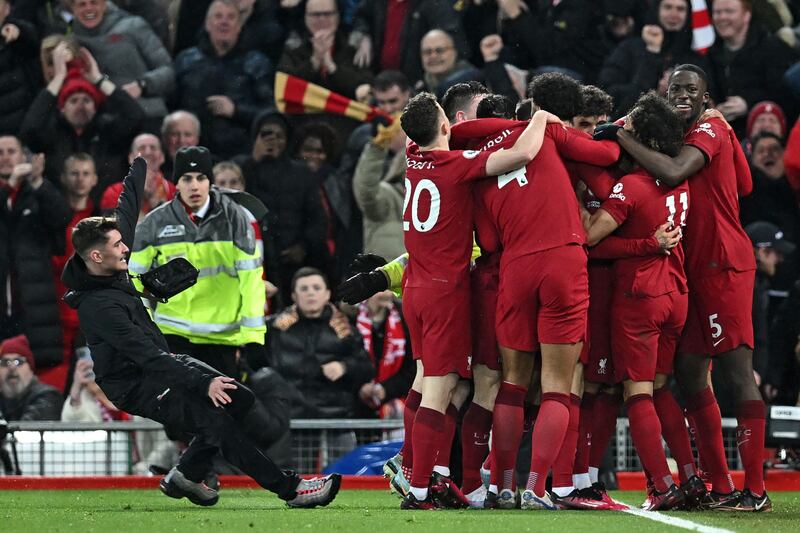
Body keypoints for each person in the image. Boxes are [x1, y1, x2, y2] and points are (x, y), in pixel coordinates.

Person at [62, 156, 340, 507]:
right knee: (217, 423)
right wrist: (201, 381)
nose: (126, 249)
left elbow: (127, 210)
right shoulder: (98, 307)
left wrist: (139, 167)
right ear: (97, 258)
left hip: (163, 362)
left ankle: (184, 475)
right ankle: (292, 489)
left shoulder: (108, 264)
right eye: (118, 246)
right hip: (136, 384)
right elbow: (146, 357)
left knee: (240, 398)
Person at [614, 63, 771, 511]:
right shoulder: (701, 129)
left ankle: (756, 490)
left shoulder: (708, 130)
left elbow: (679, 171)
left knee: (737, 373)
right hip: (689, 270)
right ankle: (718, 483)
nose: (682, 95)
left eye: (691, 90)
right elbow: (745, 182)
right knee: (687, 370)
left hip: (723, 266)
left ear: (705, 97)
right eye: (675, 89)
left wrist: (622, 136)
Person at [397, 92, 558, 509]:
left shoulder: (414, 159)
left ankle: (438, 476)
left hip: (414, 286)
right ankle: (418, 489)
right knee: (442, 387)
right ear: (448, 127)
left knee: (435, 383)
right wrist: (539, 118)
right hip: (443, 290)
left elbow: (421, 130)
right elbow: (522, 153)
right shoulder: (455, 167)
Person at [583, 92, 698, 511]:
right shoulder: (680, 178)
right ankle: (690, 476)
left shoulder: (629, 187)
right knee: (662, 387)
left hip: (641, 299)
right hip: (676, 296)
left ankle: (664, 486)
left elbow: (589, 240)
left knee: (637, 393)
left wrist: (641, 244)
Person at [128, 146, 266, 379]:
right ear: (176, 183)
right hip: (172, 333)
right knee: (178, 410)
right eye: (186, 178)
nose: (194, 186)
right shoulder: (154, 224)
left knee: (218, 411)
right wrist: (146, 330)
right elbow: (132, 281)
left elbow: (251, 279)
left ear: (210, 181)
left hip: (222, 336)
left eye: (201, 178)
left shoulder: (237, 219)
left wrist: (253, 337)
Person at [19, 43, 143, 193]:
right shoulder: (52, 134)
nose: (81, 106)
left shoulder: (108, 131)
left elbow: (135, 116)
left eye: (87, 100)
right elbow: (29, 129)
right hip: (60, 209)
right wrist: (58, 78)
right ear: (62, 108)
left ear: (95, 107)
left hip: (105, 210)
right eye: (73, 100)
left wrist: (98, 79)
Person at [0, 135, 72, 386]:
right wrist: (9, 186)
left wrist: (38, 181)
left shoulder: (37, 193)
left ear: (23, 157)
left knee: (36, 378)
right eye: (1, 152)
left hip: (33, 309)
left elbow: (62, 217)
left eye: (12, 151)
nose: (6, 156)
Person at [237, 110, 329, 301]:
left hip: (295, 264)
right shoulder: (243, 169)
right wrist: (256, 158)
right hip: (254, 259)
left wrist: (303, 247)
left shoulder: (302, 173)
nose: (274, 140)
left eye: (280, 136)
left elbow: (318, 219)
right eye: (266, 135)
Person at [264, 267, 374, 419]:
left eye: (316, 288)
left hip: (335, 421)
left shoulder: (345, 330)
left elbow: (367, 368)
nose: (310, 293)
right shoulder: (274, 328)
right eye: (304, 289)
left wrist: (344, 367)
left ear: (327, 294)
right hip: (288, 421)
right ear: (294, 296)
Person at [174, 0, 274, 159]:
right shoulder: (186, 61)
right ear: (207, 25)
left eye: (231, 17)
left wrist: (236, 111)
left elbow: (270, 113)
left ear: (239, 26)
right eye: (218, 16)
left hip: (240, 155)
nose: (224, 22)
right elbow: (172, 105)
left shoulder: (256, 63)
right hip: (193, 153)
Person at [70, 0, 174, 127]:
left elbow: (168, 70)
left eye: (94, 3)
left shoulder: (133, 26)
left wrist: (143, 85)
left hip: (146, 113)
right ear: (73, 9)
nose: (88, 9)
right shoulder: (71, 41)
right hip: (103, 121)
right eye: (82, 4)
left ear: (104, 4)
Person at [707, 0, 799, 137]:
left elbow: (787, 97)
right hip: (725, 138)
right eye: (717, 12)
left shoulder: (774, 49)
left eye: (729, 11)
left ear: (747, 15)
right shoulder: (710, 55)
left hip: (767, 140)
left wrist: (748, 103)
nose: (722, 17)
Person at [736, 222, 795, 411]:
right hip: (733, 378)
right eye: (776, 253)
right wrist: (744, 370)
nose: (780, 259)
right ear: (761, 252)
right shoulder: (739, 285)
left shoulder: (760, 285)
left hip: (750, 378)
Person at [355, 290, 415, 418]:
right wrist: (360, 388)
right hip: (356, 408)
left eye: (390, 289)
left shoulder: (405, 318)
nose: (388, 294)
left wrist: (386, 389)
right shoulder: (349, 318)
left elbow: (413, 366)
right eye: (381, 290)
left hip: (396, 401)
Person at [100, 133, 176, 219]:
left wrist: (156, 204)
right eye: (141, 148)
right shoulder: (114, 192)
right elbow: (114, 228)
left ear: (162, 157)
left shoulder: (172, 190)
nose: (148, 152)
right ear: (130, 157)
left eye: (153, 148)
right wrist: (138, 195)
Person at [0, 335, 62, 421]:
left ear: (31, 369)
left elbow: (27, 431)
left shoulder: (48, 395)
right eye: (5, 362)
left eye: (19, 362)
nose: (12, 368)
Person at [0, 0, 38, 136]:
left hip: (18, 132)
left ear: (7, 9)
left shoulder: (16, 36)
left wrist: (19, 33)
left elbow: (34, 41)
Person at [416, 29, 480, 98]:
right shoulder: (418, 89)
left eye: (439, 50)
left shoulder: (475, 83)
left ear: (455, 52)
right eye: (427, 52)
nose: (433, 56)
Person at [160, 111, 201, 180]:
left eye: (188, 134)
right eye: (175, 134)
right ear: (164, 138)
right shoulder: (155, 170)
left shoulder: (212, 166)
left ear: (197, 139)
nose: (181, 140)